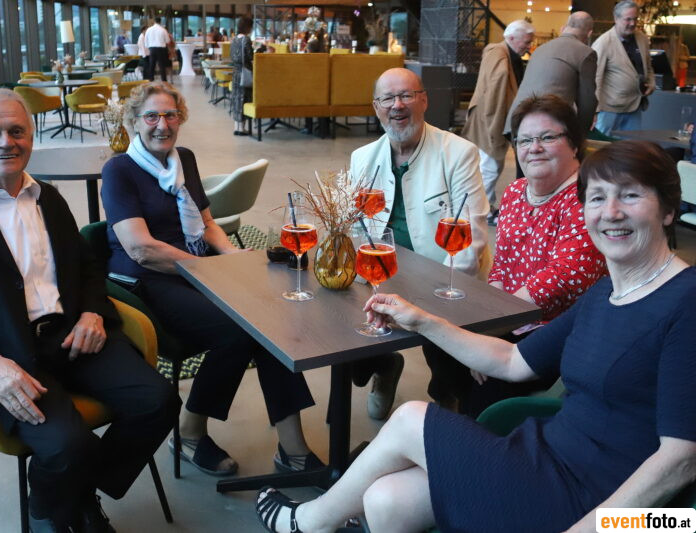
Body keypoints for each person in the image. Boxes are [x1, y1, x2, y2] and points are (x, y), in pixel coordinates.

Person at [255, 139, 696, 533]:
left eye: (631, 195)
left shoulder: (686, 302)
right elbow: (513, 362)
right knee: (386, 500)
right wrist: (421, 320)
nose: (611, 212)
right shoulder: (607, 292)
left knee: (410, 420)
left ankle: (308, 523)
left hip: (596, 500)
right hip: (546, 458)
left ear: (668, 210)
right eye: (597, 198)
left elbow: (681, 459)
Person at [0, 89, 180, 533]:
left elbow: (87, 268)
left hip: (73, 335)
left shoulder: (48, 198)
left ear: (31, 137)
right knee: (68, 445)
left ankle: (72, 494)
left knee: (159, 402)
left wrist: (92, 313)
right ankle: (54, 510)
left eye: (17, 131)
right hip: (8, 353)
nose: (6, 142)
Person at [100, 82, 322, 477]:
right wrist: (206, 269)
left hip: (193, 271)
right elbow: (140, 249)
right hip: (145, 283)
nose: (162, 125)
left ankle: (294, 449)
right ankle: (189, 433)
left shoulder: (183, 158)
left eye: (171, 115)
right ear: (134, 121)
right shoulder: (119, 170)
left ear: (180, 118)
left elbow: (205, 222)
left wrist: (233, 256)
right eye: (151, 116)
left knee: (271, 320)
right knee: (239, 329)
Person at [426, 94, 607, 416]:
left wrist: (488, 335)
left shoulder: (587, 197)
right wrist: (482, 329)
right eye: (524, 140)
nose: (534, 147)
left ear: (574, 144)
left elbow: (562, 279)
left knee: (488, 385)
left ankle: (474, 428)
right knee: (435, 331)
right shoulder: (515, 192)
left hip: (558, 329)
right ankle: (455, 409)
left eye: (547, 137)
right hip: (510, 316)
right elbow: (501, 267)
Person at [348, 67, 492, 421]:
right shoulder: (362, 158)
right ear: (376, 107)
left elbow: (470, 240)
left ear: (424, 100)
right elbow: (355, 229)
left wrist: (433, 305)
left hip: (442, 278)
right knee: (338, 322)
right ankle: (384, 366)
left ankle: (448, 404)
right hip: (381, 274)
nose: (397, 105)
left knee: (446, 349)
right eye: (387, 98)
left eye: (406, 95)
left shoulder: (458, 153)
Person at [462, 19, 534, 219]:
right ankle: (481, 211)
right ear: (511, 38)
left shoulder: (500, 53)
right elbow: (494, 97)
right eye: (526, 42)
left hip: (490, 119)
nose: (529, 46)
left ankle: (482, 206)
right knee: (490, 167)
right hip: (490, 120)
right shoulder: (500, 57)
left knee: (487, 166)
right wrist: (494, 129)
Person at [506, 12, 597, 142]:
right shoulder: (585, 52)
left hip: (516, 122)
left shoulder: (540, 49)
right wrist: (581, 136)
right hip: (544, 127)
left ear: (564, 27)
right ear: (589, 33)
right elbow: (587, 101)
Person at [592, 0, 655, 136]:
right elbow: (595, 78)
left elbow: (648, 67)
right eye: (628, 19)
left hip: (635, 106)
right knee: (602, 145)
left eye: (635, 19)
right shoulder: (603, 43)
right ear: (616, 18)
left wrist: (651, 82)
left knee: (631, 147)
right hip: (609, 110)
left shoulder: (642, 39)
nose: (632, 23)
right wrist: (594, 110)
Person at [230, 17, 254, 136]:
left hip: (236, 73)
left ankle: (236, 127)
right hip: (245, 73)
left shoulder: (234, 39)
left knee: (236, 99)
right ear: (248, 27)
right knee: (244, 99)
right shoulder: (246, 39)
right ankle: (242, 128)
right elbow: (250, 56)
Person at [144, 17, 173, 82]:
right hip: (161, 49)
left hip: (152, 49)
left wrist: (148, 47)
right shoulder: (163, 30)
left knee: (152, 65)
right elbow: (168, 41)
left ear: (154, 21)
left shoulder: (149, 29)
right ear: (160, 22)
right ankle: (164, 80)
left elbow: (146, 41)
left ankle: (151, 79)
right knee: (162, 65)